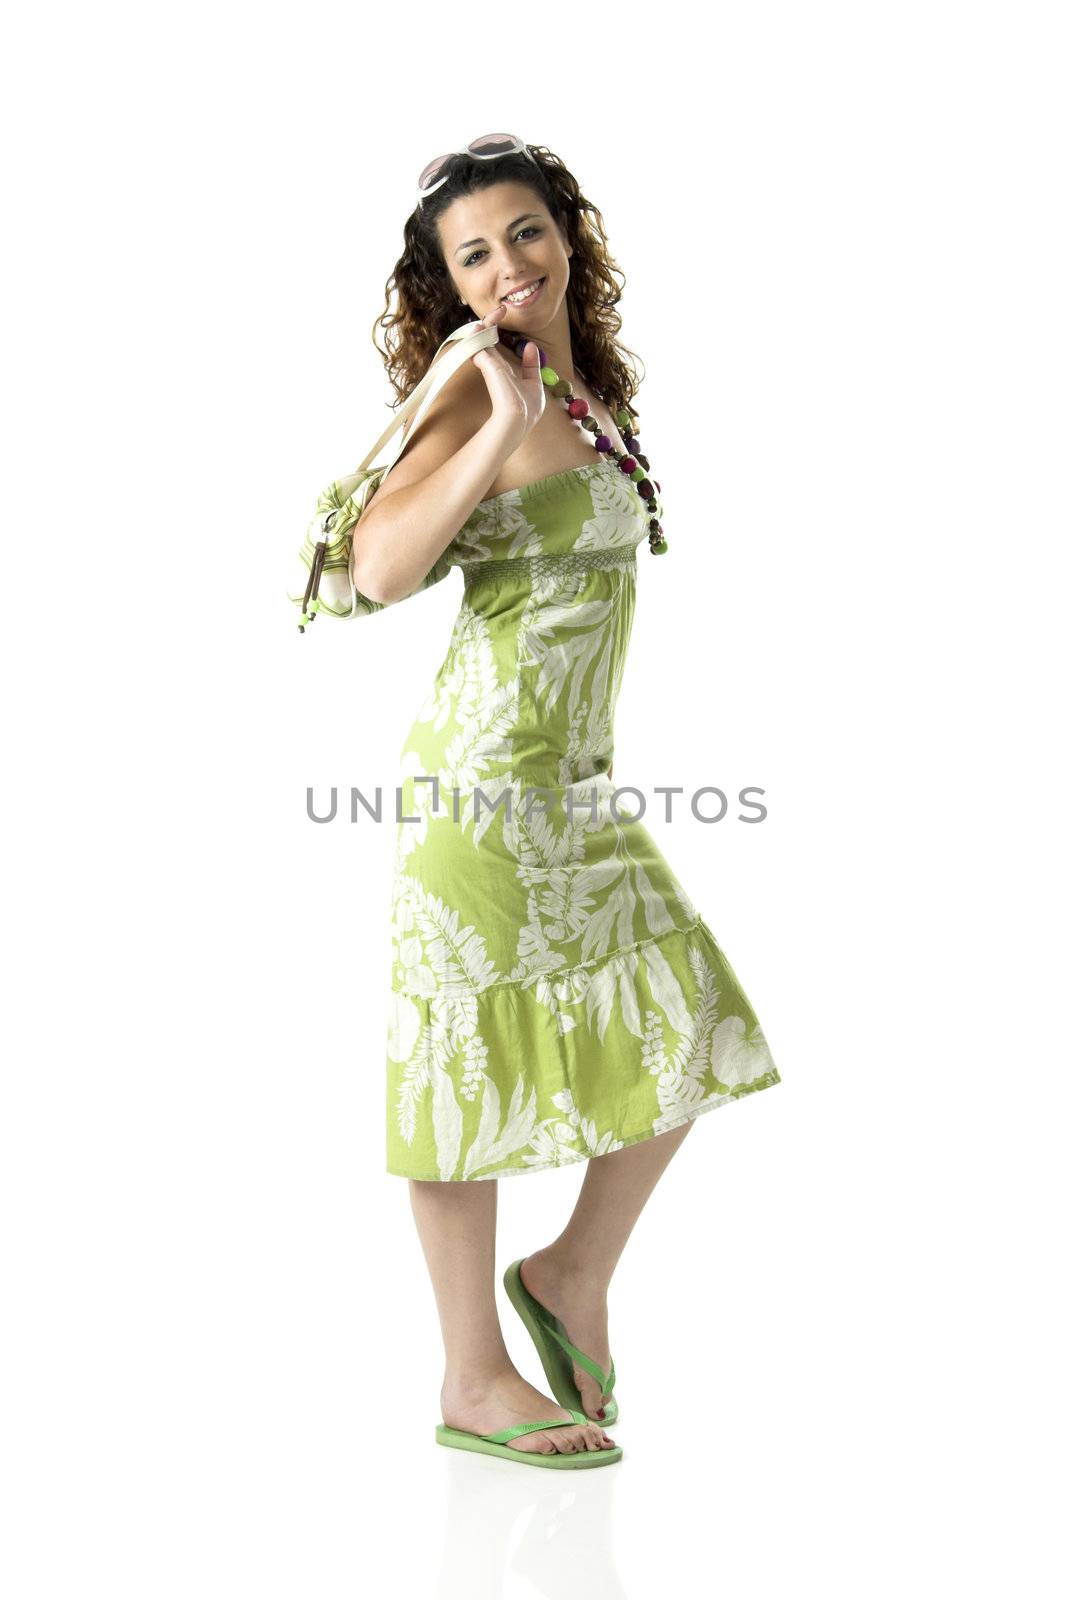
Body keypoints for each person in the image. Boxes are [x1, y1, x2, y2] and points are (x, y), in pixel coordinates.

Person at [352, 137, 782, 1466]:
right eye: (472, 254)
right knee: (459, 1067)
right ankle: (470, 1377)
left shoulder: (583, 380)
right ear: (445, 284)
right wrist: (483, 428)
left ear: (566, 236)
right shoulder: (469, 385)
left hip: (574, 793)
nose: (505, 266)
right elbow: (376, 569)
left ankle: (569, 1276)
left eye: (523, 233)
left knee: (694, 1022)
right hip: (481, 789)